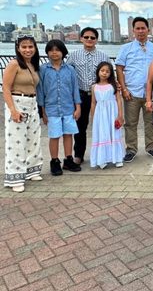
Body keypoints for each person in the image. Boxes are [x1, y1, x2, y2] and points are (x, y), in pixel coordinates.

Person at [115, 16, 153, 163]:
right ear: (133, 30)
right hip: (132, 93)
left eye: (143, 28)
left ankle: (151, 147)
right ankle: (131, 149)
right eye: (137, 28)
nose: (140, 31)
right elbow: (119, 68)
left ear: (148, 30)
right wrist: (124, 89)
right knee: (130, 123)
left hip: (150, 94)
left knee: (151, 122)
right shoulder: (125, 48)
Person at [3, 35, 43, 192]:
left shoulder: (32, 64)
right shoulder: (14, 64)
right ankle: (15, 177)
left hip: (32, 103)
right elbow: (5, 88)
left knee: (33, 138)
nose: (28, 50)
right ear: (18, 48)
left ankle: (32, 169)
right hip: (18, 102)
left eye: (31, 47)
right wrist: (13, 110)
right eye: (24, 47)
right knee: (16, 142)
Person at [66, 27, 110, 166]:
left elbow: (110, 75)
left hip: (101, 96)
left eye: (92, 38)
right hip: (82, 95)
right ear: (81, 39)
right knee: (80, 126)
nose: (89, 40)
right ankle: (79, 155)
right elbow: (67, 74)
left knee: (104, 124)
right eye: (86, 37)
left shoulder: (103, 56)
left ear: (96, 40)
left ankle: (106, 154)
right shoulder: (74, 55)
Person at [37, 40, 81, 176]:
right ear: (47, 52)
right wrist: (43, 111)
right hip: (51, 109)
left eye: (57, 50)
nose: (54, 53)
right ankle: (54, 161)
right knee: (54, 135)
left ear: (63, 52)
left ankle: (68, 159)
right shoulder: (43, 69)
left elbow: (75, 89)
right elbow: (40, 92)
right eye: (51, 50)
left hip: (68, 108)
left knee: (69, 134)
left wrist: (77, 107)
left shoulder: (70, 69)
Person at [89, 62, 125, 169]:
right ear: (98, 72)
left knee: (114, 133)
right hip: (100, 115)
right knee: (102, 134)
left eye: (107, 71)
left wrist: (120, 115)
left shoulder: (113, 85)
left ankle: (117, 158)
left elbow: (119, 100)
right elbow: (93, 102)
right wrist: (93, 116)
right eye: (102, 71)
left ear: (110, 74)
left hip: (112, 113)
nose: (104, 73)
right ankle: (102, 159)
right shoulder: (94, 86)